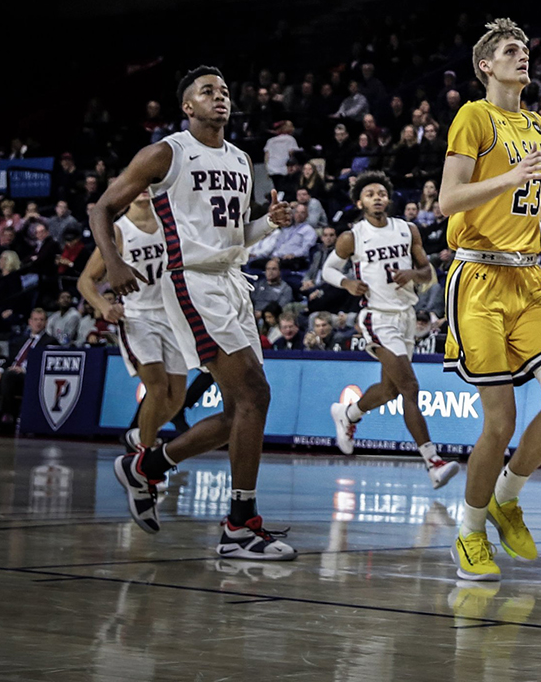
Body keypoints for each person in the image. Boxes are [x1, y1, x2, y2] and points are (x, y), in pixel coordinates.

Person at [92, 66, 303, 560]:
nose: (220, 97)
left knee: (238, 412)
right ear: (188, 106)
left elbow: (231, 239)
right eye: (208, 91)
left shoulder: (240, 159)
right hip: (191, 282)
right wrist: (116, 261)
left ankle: (147, 466)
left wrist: (266, 225)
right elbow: (100, 208)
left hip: (232, 281)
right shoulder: (167, 152)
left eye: (225, 90)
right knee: (255, 393)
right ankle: (239, 527)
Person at [436, 21, 541, 582]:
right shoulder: (473, 117)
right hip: (478, 276)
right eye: (510, 51)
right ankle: (469, 534)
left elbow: (527, 194)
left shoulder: (534, 122)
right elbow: (448, 199)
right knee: (499, 421)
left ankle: (508, 496)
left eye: (526, 50)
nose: (522, 57)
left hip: (529, 279)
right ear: (486, 65)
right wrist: (509, 178)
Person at [324, 174, 461, 489]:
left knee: (389, 390)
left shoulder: (407, 229)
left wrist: (413, 273)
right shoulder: (352, 236)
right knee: (410, 387)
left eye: (382, 193)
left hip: (406, 317)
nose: (377, 197)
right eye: (370, 194)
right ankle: (433, 462)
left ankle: (348, 413)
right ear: (360, 202)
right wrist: (346, 282)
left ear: (388, 199)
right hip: (377, 317)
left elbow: (428, 271)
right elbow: (328, 269)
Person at [76, 189, 187, 453]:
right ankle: (144, 457)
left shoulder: (171, 223)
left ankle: (137, 436)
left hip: (173, 316)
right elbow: (85, 281)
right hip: (138, 316)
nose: (143, 189)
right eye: (137, 184)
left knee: (176, 399)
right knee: (157, 388)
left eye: (149, 183)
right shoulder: (118, 231)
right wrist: (104, 306)